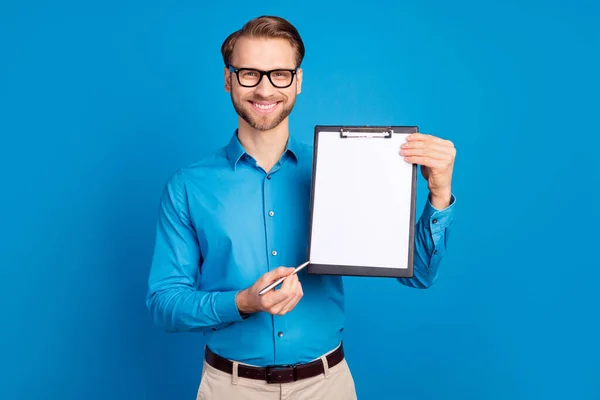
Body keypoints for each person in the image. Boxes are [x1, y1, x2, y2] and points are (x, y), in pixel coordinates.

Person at [146, 15, 456, 400]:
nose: (264, 89)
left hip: (326, 387)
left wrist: (439, 194)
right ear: (228, 79)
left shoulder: (346, 168)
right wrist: (243, 302)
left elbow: (419, 274)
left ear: (298, 81)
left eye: (279, 74)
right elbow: (165, 304)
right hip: (229, 388)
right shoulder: (188, 187)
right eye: (248, 74)